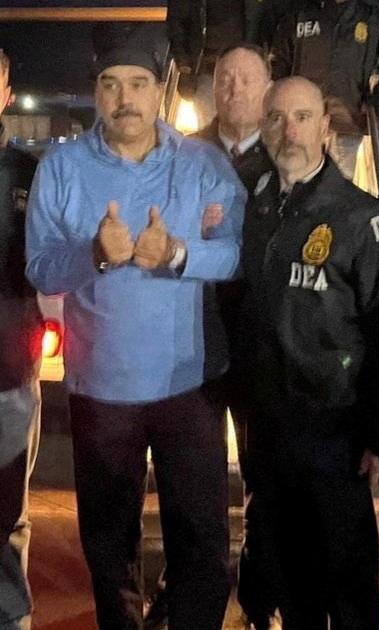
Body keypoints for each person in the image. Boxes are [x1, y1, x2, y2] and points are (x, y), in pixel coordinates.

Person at [25, 42, 246, 630]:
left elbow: (236, 254)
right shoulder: (61, 168)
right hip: (101, 390)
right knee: (108, 548)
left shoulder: (202, 164)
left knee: (201, 542)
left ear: (160, 90)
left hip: (187, 387)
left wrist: (176, 252)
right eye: (111, 84)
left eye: (139, 83)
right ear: (96, 92)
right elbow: (41, 269)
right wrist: (94, 254)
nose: (125, 98)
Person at [230, 75, 379, 629]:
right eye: (277, 118)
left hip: (337, 435)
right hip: (269, 432)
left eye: (302, 117)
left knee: (348, 589)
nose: (289, 130)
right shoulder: (253, 208)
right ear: (263, 128)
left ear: (326, 127)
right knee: (293, 587)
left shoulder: (363, 218)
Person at [141, 41, 276, 630]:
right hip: (190, 341)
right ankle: (184, 593)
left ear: (267, 89)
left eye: (247, 79)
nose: (233, 88)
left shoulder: (286, 155)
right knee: (190, 487)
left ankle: (259, 596)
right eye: (224, 78)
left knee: (264, 475)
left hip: (263, 343)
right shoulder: (181, 154)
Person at [263, 0, 379, 179]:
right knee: (294, 183)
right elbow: (278, 64)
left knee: (338, 189)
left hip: (348, 126)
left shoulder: (376, 11)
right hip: (298, 126)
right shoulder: (297, 9)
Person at [0, 49, 42, 630]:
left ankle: (10, 618)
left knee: (8, 511)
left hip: (8, 366)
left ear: (6, 95)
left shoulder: (30, 174)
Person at [167, 0, 267, 126]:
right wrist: (184, 65)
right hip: (206, 72)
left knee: (248, 127)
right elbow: (176, 27)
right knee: (210, 129)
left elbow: (266, 23)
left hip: (247, 72)